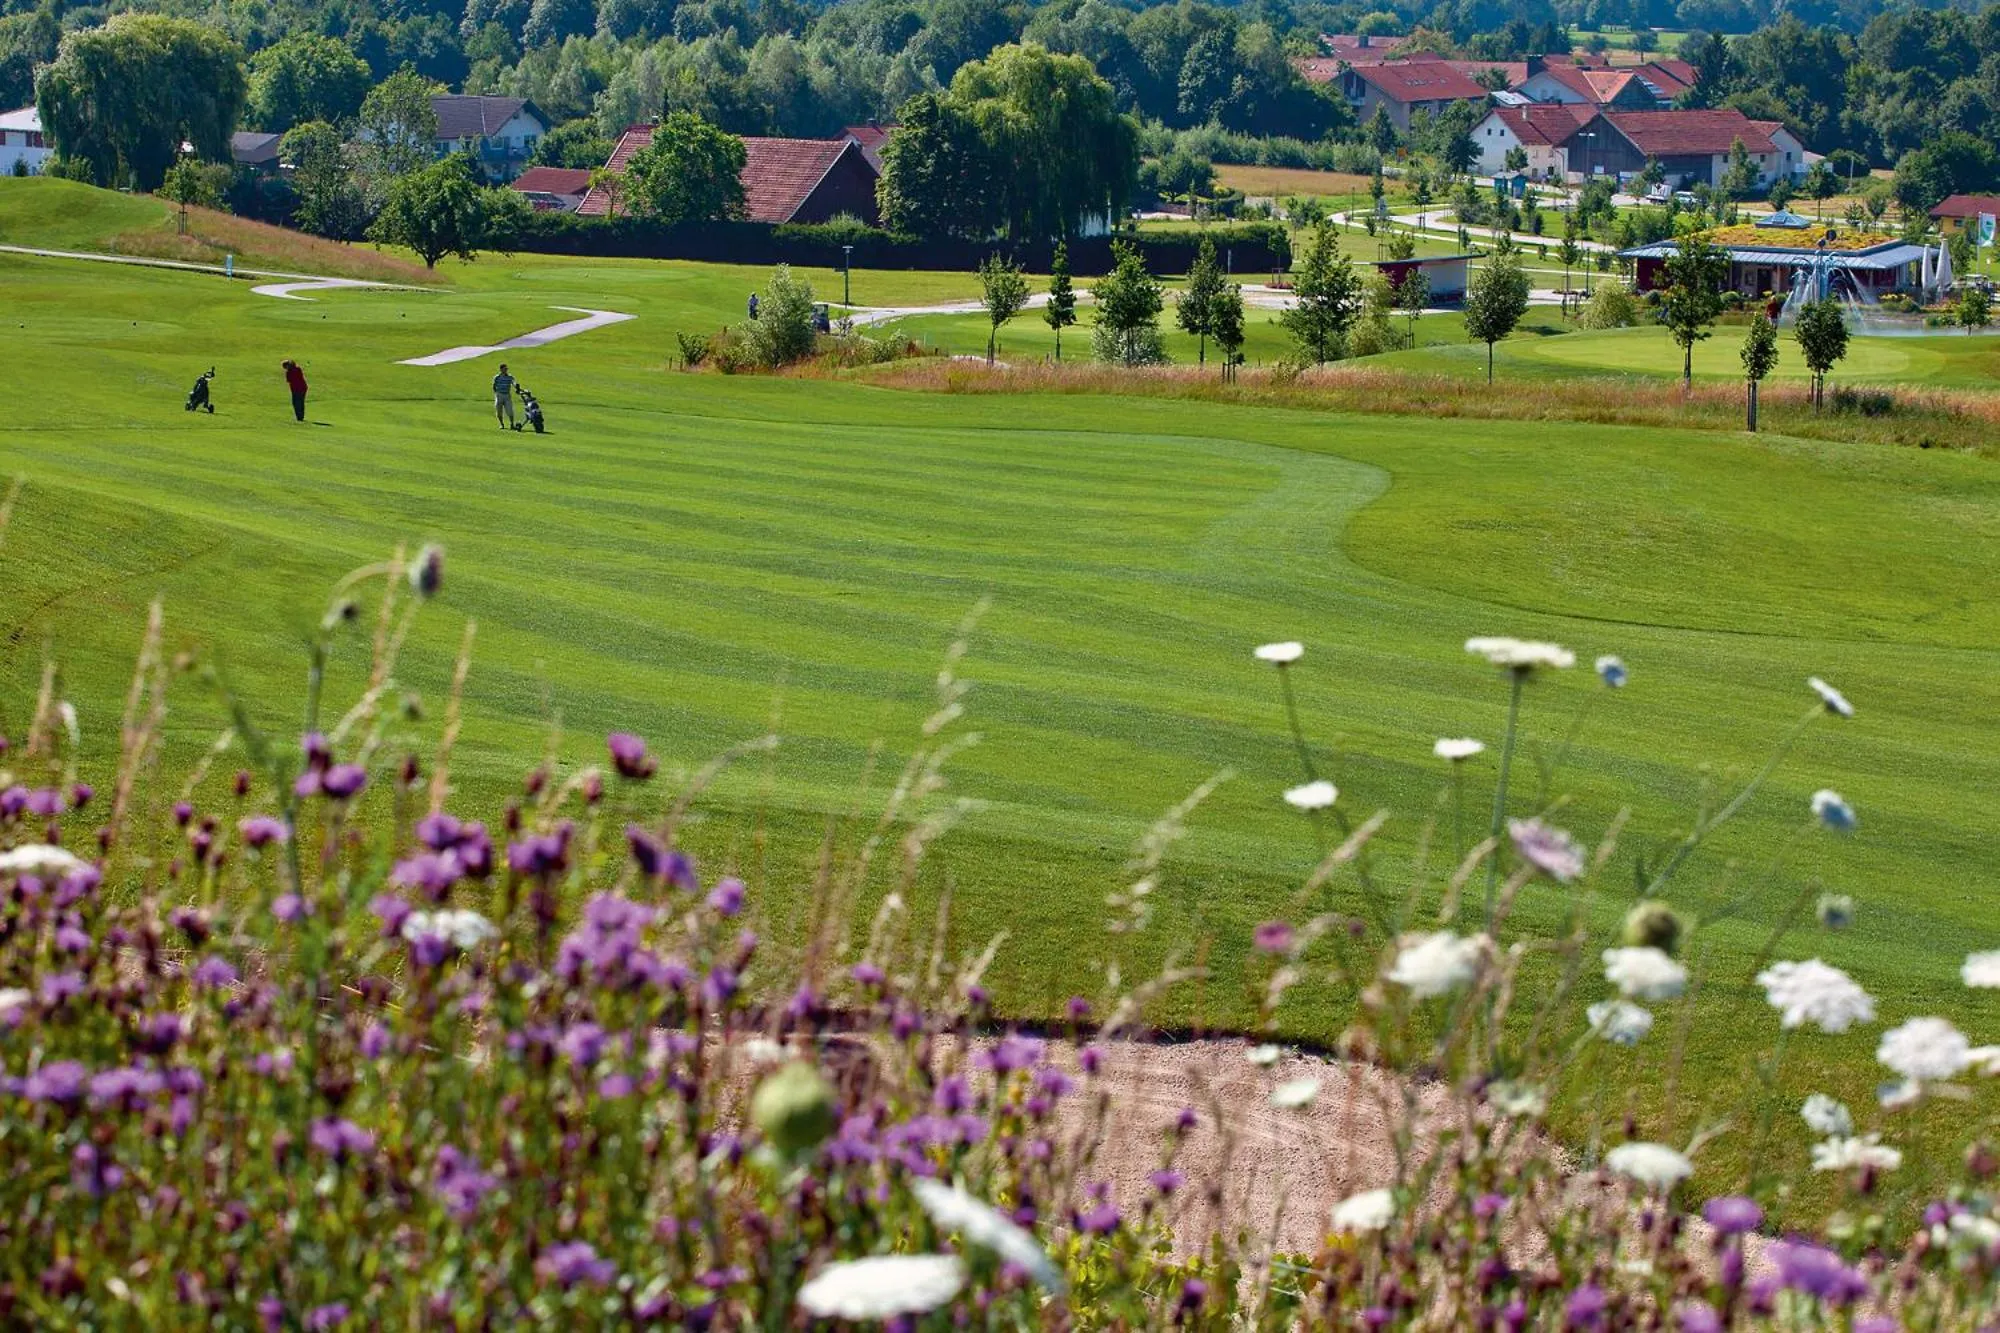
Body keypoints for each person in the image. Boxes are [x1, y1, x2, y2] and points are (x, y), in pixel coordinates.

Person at [492, 363, 516, 430]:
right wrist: (496, 394)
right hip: (499, 395)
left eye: (506, 369)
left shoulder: (510, 377)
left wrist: (516, 386)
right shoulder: (497, 377)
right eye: (505, 369)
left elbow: (514, 383)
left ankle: (512, 424)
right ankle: (501, 424)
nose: (506, 370)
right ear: (501, 369)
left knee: (510, 411)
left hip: (507, 396)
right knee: (499, 411)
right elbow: (494, 386)